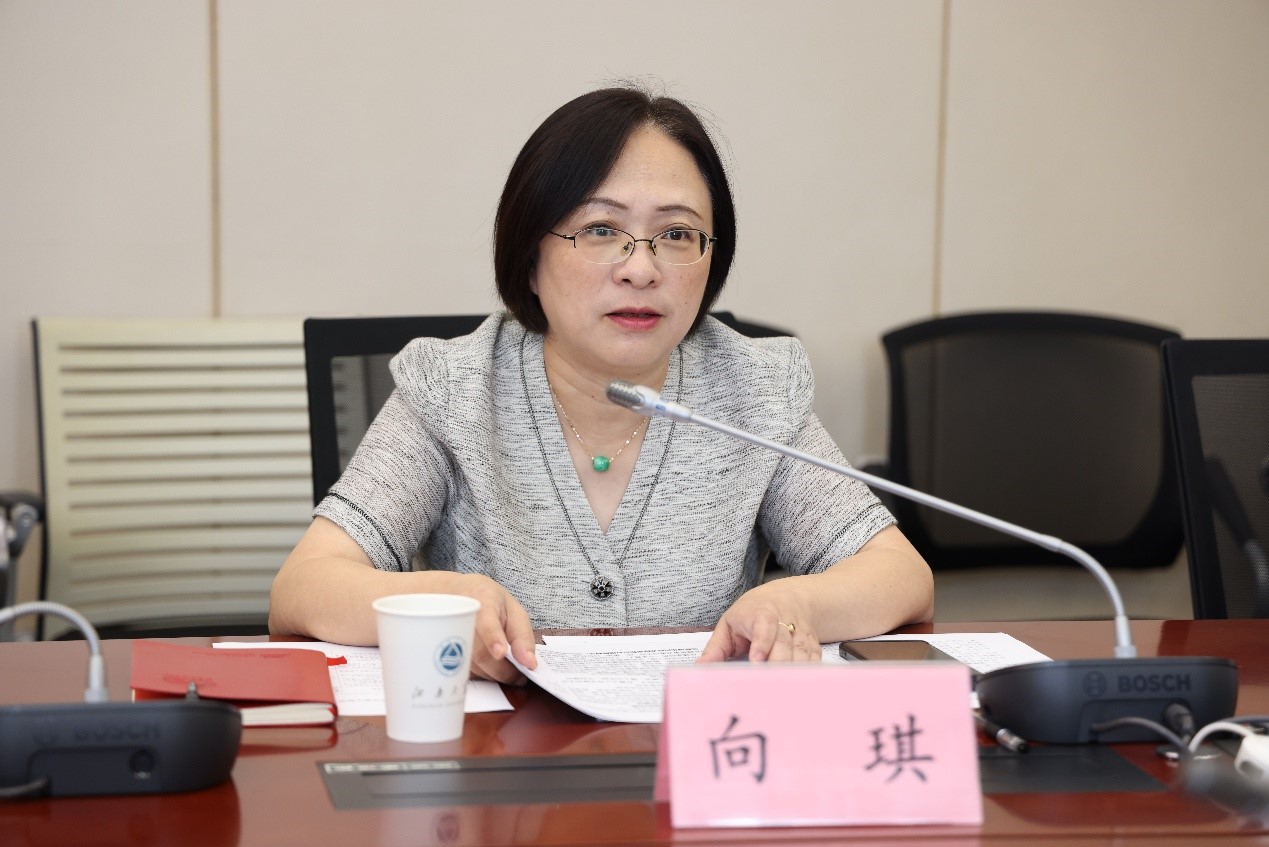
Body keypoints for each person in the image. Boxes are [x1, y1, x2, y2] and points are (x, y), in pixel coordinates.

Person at [269, 87, 934, 683]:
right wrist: (441, 604)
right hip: (497, 766)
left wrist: (795, 602)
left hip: (689, 757)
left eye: (676, 233)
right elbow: (302, 588)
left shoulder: (751, 391)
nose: (640, 269)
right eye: (600, 230)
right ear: (530, 258)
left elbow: (899, 574)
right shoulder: (456, 390)